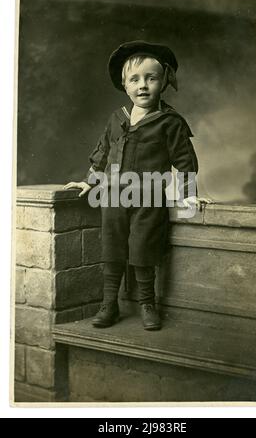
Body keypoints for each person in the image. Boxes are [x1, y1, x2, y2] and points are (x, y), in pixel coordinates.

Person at [64, 40, 210, 331]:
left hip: (149, 198)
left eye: (151, 78)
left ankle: (147, 303)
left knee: (144, 249)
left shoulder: (170, 122)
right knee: (112, 248)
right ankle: (109, 304)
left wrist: (188, 195)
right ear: (124, 84)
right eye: (135, 79)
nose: (143, 85)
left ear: (164, 82)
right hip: (114, 198)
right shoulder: (116, 120)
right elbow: (102, 155)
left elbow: (184, 161)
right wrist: (89, 182)